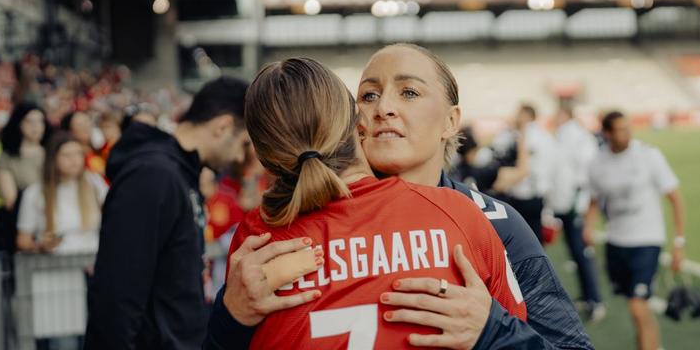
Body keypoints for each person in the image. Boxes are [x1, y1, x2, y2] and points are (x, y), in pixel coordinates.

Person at [207, 44, 593, 350]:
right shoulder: (279, 234)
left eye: (408, 92)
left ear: (450, 121)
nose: (383, 109)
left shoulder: (496, 223)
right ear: (350, 120)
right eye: (368, 95)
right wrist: (230, 318)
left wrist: (494, 331)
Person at [85, 75, 249, 350]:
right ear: (224, 126)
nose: (240, 158)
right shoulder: (153, 176)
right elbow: (117, 297)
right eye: (244, 143)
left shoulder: (179, 174)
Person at [583, 111, 686, 350]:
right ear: (606, 133)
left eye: (627, 127)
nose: (626, 133)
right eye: (619, 129)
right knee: (636, 307)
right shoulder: (597, 162)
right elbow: (594, 200)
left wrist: (679, 242)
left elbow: (675, 198)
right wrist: (588, 227)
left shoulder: (648, 155)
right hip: (616, 242)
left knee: (637, 307)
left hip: (647, 240)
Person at [549, 106, 604, 322]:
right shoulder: (566, 135)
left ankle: (595, 299)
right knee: (575, 251)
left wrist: (577, 198)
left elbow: (586, 170)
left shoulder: (577, 136)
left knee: (582, 252)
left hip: (574, 203)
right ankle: (587, 296)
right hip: (566, 201)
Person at [16, 132, 107, 255]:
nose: (74, 160)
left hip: (92, 260)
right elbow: (23, 240)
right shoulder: (35, 192)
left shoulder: (95, 183)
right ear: (53, 158)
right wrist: (41, 246)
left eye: (78, 153)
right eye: (66, 155)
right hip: (55, 264)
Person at [492, 104, 558, 243]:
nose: (516, 117)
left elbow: (522, 169)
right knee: (534, 237)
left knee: (522, 238)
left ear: (527, 116)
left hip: (525, 193)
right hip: (538, 192)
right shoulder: (544, 134)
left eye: (519, 114)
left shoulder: (527, 134)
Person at [0, 102, 51, 211]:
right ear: (19, 124)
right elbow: (9, 200)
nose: (35, 126)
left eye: (40, 121)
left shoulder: (52, 152)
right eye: (29, 121)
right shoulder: (7, 157)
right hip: (25, 213)